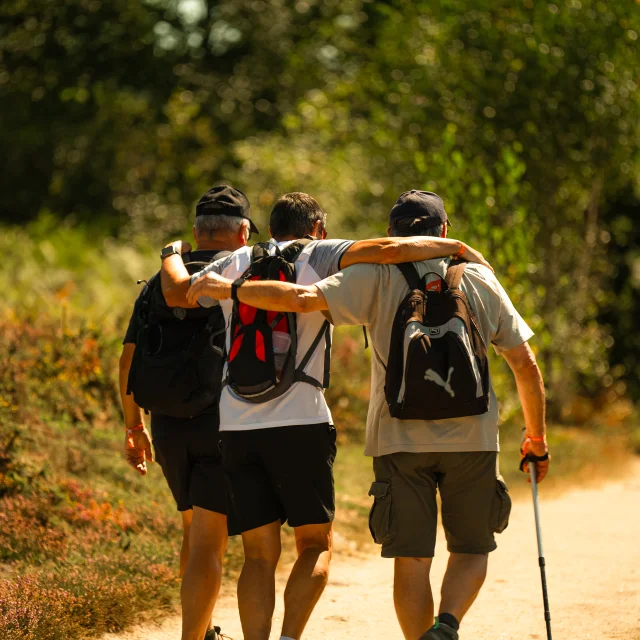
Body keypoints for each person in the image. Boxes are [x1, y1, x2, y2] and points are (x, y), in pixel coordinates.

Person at [186, 190, 551, 640]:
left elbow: (301, 300)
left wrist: (231, 288)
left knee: (411, 559)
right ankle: (448, 624)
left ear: (392, 231)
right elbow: (524, 364)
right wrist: (535, 437)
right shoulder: (479, 278)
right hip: (472, 436)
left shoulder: (373, 277)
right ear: (443, 232)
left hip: (396, 437)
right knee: (472, 547)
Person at [119, 184, 258, 640]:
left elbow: (128, 361)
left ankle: (202, 628)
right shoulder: (240, 276)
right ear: (242, 232)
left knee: (193, 530)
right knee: (208, 545)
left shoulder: (161, 281)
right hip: (221, 420)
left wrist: (134, 427)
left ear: (197, 233)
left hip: (167, 423)